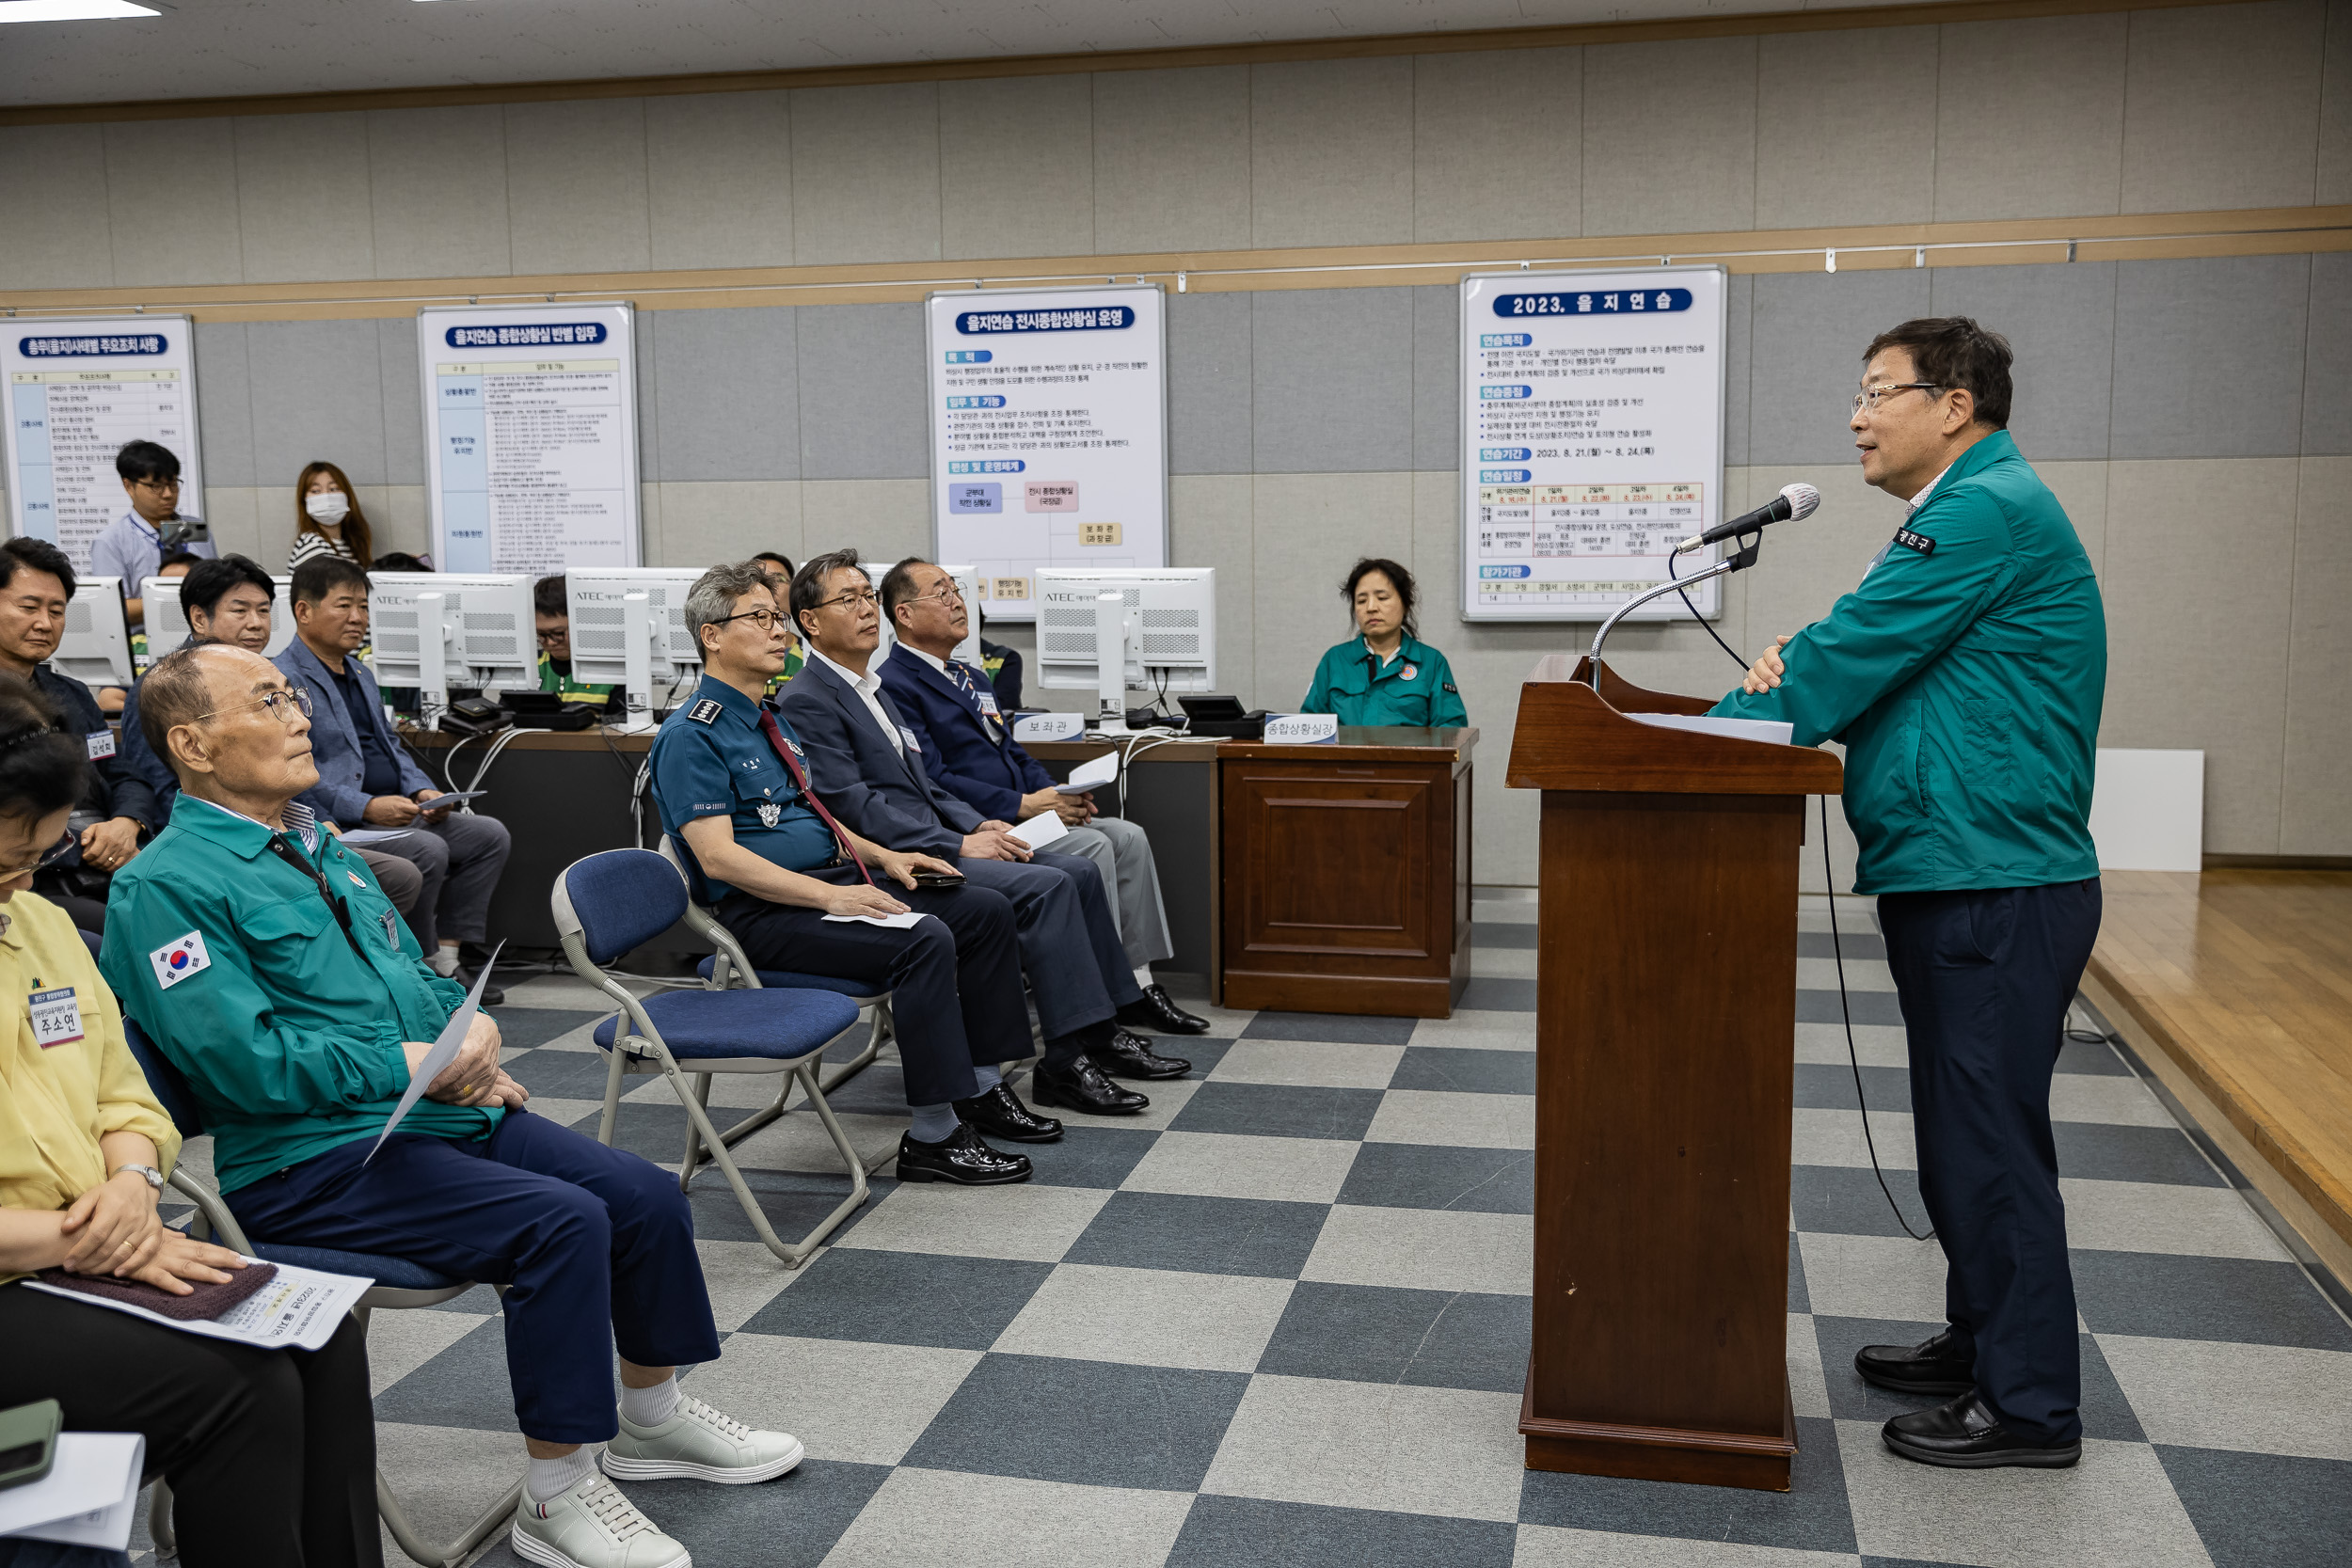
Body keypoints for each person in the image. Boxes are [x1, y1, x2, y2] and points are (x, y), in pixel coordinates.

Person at [101, 641, 800, 1568]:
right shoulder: (164, 885)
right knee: (561, 1222)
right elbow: (246, 1064)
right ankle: (555, 1497)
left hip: (429, 1117)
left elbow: (413, 980)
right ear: (192, 744)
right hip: (310, 1163)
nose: (300, 715)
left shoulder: (314, 842)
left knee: (646, 1195)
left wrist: (468, 1049)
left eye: (291, 699)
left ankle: (651, 1418)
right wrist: (408, 1059)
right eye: (269, 701)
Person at [1711, 317, 2105, 1470]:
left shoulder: (1981, 508)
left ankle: (2029, 1405)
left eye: (1880, 391)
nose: (1856, 413)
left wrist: (1716, 732)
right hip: (1961, 867)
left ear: (1957, 403)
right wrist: (1797, 669)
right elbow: (1870, 654)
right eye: (1859, 391)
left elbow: (1848, 657)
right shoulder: (1958, 511)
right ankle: (1983, 1338)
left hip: (1995, 876)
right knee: (1959, 1139)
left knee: (1988, 1146)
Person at [0, 671, 384, 1568]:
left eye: (32, 860)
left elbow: (122, 1094)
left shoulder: (39, 926)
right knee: (233, 1387)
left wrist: (132, 1183)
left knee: (319, 1334)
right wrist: (79, 1237)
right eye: (4, 860)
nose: (19, 883)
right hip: (36, 1262)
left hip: (87, 1242)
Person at [649, 562, 1061, 1178]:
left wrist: (883, 856)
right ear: (712, 635)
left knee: (980, 908)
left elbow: (814, 817)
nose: (779, 633)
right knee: (925, 940)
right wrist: (832, 896)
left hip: (825, 887)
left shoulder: (769, 718)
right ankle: (933, 1135)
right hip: (762, 917)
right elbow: (719, 857)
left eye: (778, 619)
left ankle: (978, 1084)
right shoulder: (693, 734)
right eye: (759, 619)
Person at [777, 551, 1188, 1114]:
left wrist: (979, 821)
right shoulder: (807, 697)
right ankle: (1068, 1059)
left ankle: (1092, 1035)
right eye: (848, 600)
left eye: (867, 597)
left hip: (938, 839)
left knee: (1077, 869)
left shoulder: (869, 687)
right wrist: (959, 842)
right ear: (810, 621)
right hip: (894, 859)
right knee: (1054, 880)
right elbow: (852, 803)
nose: (867, 610)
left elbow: (923, 784)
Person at [877, 558, 1206, 1036]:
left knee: (1127, 836)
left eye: (955, 589)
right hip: (980, 826)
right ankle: (1101, 999)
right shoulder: (896, 683)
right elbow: (933, 779)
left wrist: (1055, 793)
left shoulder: (972, 678)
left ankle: (1138, 982)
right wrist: (1024, 806)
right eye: (940, 592)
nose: (956, 600)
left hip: (1026, 812)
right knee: (1095, 847)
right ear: (904, 614)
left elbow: (1012, 753)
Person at [119, 557, 422, 917]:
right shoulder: (166, 688)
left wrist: (316, 819)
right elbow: (161, 789)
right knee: (401, 870)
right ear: (200, 618)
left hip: (283, 825)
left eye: (264, 611)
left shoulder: (269, 677)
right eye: (241, 610)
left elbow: (291, 764)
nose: (257, 623)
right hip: (226, 841)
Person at [275, 558, 511, 1003]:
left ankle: (448, 957)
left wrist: (423, 790)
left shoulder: (360, 672)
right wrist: (363, 806)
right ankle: (416, 967)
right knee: (427, 848)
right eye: (344, 605)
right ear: (303, 611)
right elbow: (295, 770)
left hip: (395, 809)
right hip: (337, 821)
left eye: (363, 607)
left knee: (487, 836)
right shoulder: (283, 677)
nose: (358, 618)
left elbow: (390, 747)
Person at [0, 540, 157, 935]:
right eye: (28, 607)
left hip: (106, 865)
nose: (45, 623)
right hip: (32, 878)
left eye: (57, 611)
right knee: (136, 935)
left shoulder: (70, 693)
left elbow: (122, 772)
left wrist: (126, 822)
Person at [1301, 558, 1468, 729]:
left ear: (1405, 604)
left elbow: (1451, 731)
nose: (1371, 607)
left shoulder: (1431, 662)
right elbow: (1310, 726)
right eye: (1361, 601)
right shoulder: (1334, 660)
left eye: (1382, 597)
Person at [87, 441, 216, 627]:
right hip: (145, 644)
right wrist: (173, 597)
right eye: (156, 486)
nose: (167, 494)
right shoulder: (111, 541)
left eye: (173, 484)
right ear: (128, 486)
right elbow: (112, 608)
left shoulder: (195, 528)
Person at [532, 576, 614, 709]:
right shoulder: (531, 666)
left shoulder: (612, 670)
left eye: (558, 633)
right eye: (541, 635)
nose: (551, 643)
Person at [289, 461, 375, 573]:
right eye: (315, 491)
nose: (326, 496)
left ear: (347, 496)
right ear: (304, 501)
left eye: (334, 489)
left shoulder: (349, 543)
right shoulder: (312, 545)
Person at [752, 552, 804, 687]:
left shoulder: (809, 654)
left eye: (778, 579)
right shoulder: (739, 653)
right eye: (759, 580)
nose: (769, 586)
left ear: (793, 590)